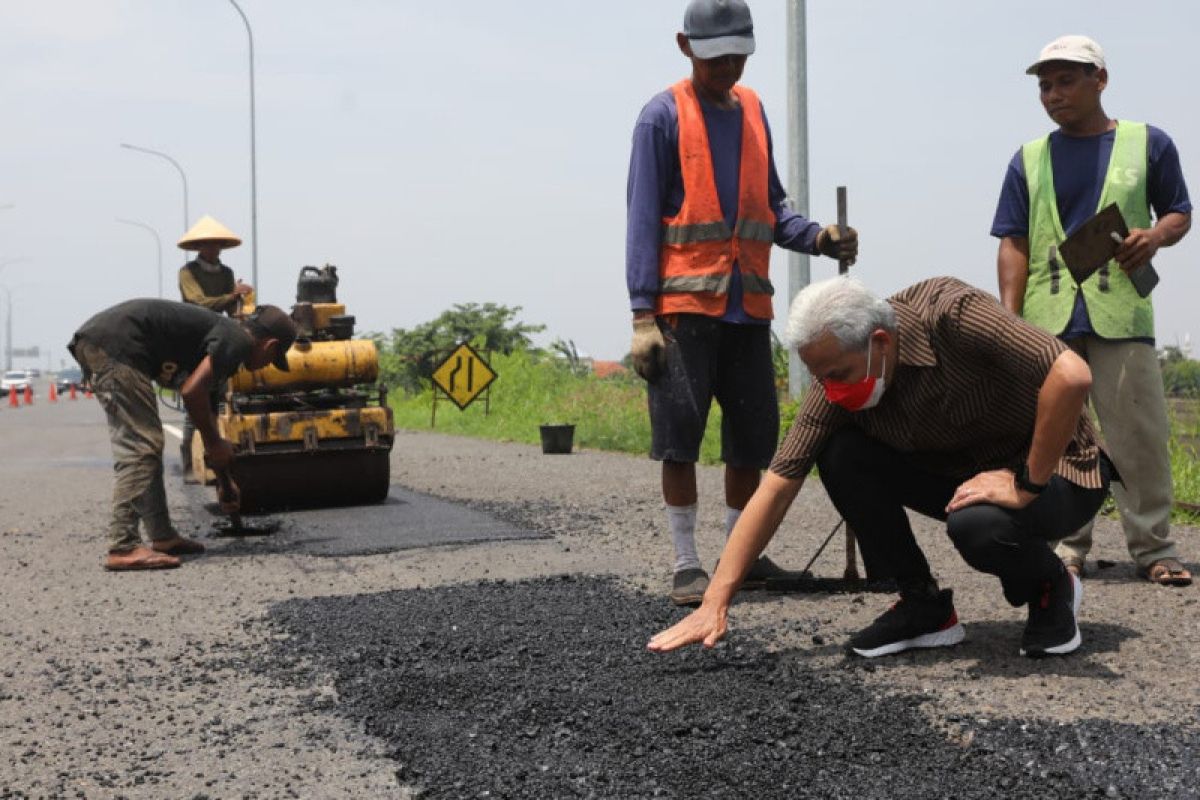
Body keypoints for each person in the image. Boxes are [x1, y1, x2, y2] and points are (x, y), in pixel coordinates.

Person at [648, 276, 1113, 659]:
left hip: (1059, 472)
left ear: (881, 343)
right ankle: (923, 605)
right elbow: (777, 486)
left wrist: (1025, 484)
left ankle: (1053, 586)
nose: (830, 390)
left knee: (976, 526)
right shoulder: (839, 368)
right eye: (820, 378)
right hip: (965, 478)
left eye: (838, 376)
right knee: (841, 453)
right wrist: (716, 602)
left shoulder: (951, 313)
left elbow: (1071, 375)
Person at [626, 0, 858, 606]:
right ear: (685, 47)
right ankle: (685, 564)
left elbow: (773, 207)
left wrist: (819, 237)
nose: (729, 68)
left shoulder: (754, 111)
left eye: (738, 56)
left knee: (751, 441)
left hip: (748, 310)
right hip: (682, 312)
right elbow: (643, 219)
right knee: (679, 439)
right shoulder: (661, 117)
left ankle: (741, 556)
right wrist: (642, 316)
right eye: (716, 58)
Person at [991, 35, 1193, 587]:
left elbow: (1180, 212)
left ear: (1099, 79)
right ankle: (1065, 545)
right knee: (1056, 435)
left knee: (1138, 432)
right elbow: (1013, 242)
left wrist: (1154, 237)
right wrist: (1010, 322)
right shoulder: (1028, 159)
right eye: (1044, 85)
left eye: (1064, 81)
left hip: (1121, 310)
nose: (1052, 95)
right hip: (1047, 318)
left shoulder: (1148, 143)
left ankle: (1154, 547)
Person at [69, 300, 296, 571]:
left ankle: (162, 536)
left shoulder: (223, 346)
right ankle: (123, 544)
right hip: (114, 344)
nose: (266, 366)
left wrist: (224, 481)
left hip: (107, 341)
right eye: (273, 360)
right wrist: (215, 443)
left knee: (148, 442)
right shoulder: (237, 342)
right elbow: (191, 393)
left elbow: (206, 416)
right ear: (269, 346)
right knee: (142, 445)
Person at [176, 215, 255, 479]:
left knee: (221, 399)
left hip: (217, 336)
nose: (213, 250)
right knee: (195, 401)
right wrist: (231, 295)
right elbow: (198, 303)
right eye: (208, 245)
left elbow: (229, 309)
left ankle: (220, 455)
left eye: (216, 245)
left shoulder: (227, 273)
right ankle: (188, 460)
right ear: (199, 248)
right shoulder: (188, 273)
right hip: (192, 336)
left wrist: (240, 299)